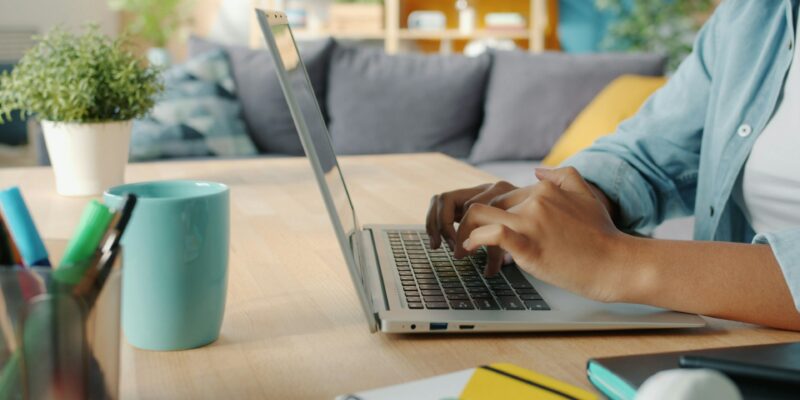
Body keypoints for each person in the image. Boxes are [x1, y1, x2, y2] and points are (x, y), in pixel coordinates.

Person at [426, 1, 800, 331]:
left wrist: (615, 261)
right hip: (735, 333)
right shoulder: (753, 13)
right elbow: (648, 151)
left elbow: (616, 261)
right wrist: (562, 204)